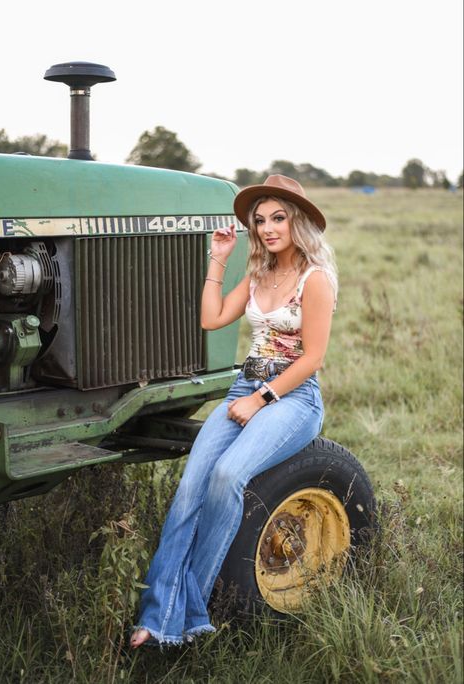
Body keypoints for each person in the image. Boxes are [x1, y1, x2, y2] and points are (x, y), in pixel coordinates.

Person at [130, 174, 337, 647]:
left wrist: (259, 399)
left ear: (298, 221)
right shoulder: (259, 274)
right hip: (245, 386)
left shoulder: (316, 278)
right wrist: (218, 260)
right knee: (189, 488)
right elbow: (212, 318)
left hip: (292, 396)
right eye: (260, 220)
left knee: (227, 477)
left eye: (278, 218)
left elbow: (312, 358)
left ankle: (189, 614)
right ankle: (160, 615)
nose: (267, 228)